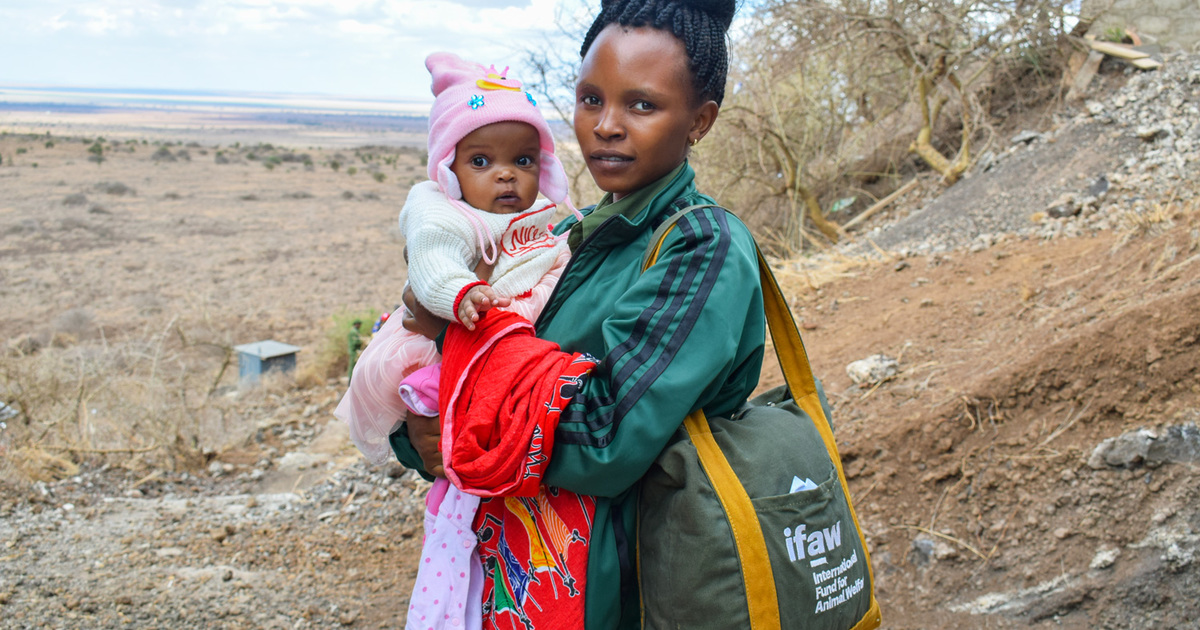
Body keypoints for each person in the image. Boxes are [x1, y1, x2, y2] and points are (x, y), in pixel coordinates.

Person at [392, 1, 760, 628]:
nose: (606, 126)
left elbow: (604, 435)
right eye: (591, 99)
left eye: (641, 105)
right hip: (521, 585)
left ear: (700, 120)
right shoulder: (570, 236)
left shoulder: (702, 248)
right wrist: (423, 427)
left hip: (624, 595)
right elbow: (428, 387)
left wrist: (462, 408)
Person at [334, 51, 579, 466]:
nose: (506, 174)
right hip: (443, 332)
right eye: (480, 161)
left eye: (523, 160)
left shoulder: (535, 218)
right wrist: (459, 290)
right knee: (442, 433)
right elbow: (432, 255)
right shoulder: (440, 209)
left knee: (466, 449)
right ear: (449, 168)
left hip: (497, 344)